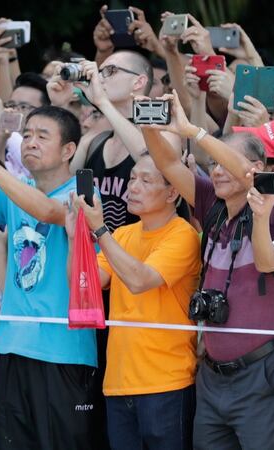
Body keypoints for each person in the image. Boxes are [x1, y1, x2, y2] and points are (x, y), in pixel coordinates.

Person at [142, 91, 274, 449]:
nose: (218, 170)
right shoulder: (211, 202)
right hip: (210, 374)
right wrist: (148, 126)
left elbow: (250, 175)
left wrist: (195, 132)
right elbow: (168, 165)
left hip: (262, 373)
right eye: (214, 164)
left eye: (227, 162)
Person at [0, 106, 99, 448]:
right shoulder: (15, 188)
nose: (30, 142)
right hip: (12, 343)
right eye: (26, 135)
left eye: (43, 136)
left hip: (62, 349)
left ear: (68, 150)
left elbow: (46, 211)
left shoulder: (84, 193)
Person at [66, 154, 200, 450]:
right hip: (118, 380)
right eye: (132, 179)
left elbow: (140, 281)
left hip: (167, 381)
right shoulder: (123, 234)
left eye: (146, 180)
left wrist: (100, 231)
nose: (133, 187)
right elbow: (83, 285)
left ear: (172, 192)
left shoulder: (183, 235)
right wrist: (77, 236)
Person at [50, 50, 167, 230]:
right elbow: (57, 189)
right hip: (95, 254)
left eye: (110, 71)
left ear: (139, 82)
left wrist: (101, 102)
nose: (100, 78)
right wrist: (59, 105)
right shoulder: (93, 142)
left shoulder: (166, 132)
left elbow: (151, 160)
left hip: (141, 253)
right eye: (99, 71)